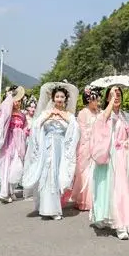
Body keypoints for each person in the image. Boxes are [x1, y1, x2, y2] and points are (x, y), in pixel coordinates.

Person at [89, 85, 129, 240]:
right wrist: (111, 103)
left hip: (125, 155)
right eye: (113, 94)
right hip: (112, 155)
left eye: (119, 93)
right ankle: (119, 223)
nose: (117, 96)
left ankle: (126, 221)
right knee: (115, 189)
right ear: (108, 97)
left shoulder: (124, 116)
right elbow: (100, 124)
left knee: (124, 188)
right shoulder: (105, 114)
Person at [22, 82, 80, 220]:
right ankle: (47, 208)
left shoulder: (68, 115)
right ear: (53, 99)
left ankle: (54, 208)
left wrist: (64, 118)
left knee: (57, 176)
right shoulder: (46, 113)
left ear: (65, 99)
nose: (59, 99)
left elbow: (75, 129)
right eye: (57, 96)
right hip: (46, 148)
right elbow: (35, 127)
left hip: (60, 148)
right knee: (47, 175)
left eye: (62, 96)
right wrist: (48, 117)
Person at [64, 85, 102, 211]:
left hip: (97, 145)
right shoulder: (83, 113)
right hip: (85, 146)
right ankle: (84, 199)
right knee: (84, 173)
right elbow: (83, 132)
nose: (98, 102)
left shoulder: (99, 113)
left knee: (95, 173)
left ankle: (94, 198)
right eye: (97, 100)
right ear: (90, 99)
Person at [0, 85, 29, 203]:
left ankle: (11, 191)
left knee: (16, 167)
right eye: (16, 101)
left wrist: (25, 131)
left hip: (18, 143)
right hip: (8, 143)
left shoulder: (22, 115)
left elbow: (26, 128)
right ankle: (3, 192)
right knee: (6, 166)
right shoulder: (6, 113)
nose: (17, 103)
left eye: (19, 101)